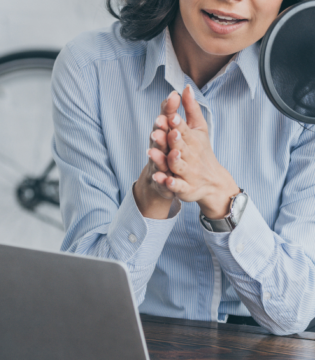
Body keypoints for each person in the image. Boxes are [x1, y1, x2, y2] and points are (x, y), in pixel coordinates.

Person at [51, 0, 315, 335]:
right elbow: (91, 306)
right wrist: (151, 198)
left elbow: (293, 310)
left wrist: (222, 198)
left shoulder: (309, 85)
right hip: (136, 340)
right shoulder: (89, 67)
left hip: (263, 352)